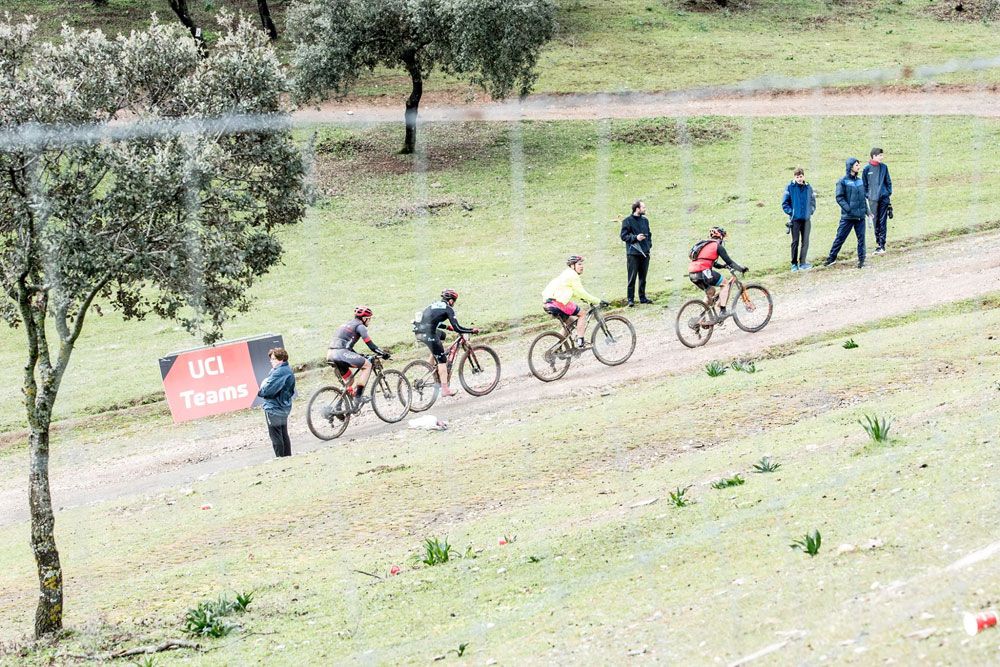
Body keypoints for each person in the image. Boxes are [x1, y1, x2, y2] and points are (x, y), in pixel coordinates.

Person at [413, 289, 478, 397]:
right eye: (454, 301)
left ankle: (431, 367)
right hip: (427, 333)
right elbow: (458, 328)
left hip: (419, 331)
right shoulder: (448, 309)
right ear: (451, 301)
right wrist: (471, 330)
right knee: (442, 360)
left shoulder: (434, 304)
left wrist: (447, 327)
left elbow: (432, 320)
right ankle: (445, 390)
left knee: (442, 335)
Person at [326, 306, 391, 403]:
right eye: (369, 319)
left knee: (350, 382)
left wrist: (359, 355)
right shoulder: (360, 327)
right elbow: (370, 345)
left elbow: (346, 345)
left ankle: (338, 405)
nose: (370, 321)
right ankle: (358, 397)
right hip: (341, 353)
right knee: (367, 365)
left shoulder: (346, 324)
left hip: (330, 354)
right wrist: (383, 353)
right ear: (364, 319)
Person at [542, 255, 608, 349]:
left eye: (582, 264)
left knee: (571, 323)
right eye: (579, 264)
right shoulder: (573, 275)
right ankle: (580, 341)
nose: (582, 266)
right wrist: (598, 301)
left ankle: (557, 347)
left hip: (548, 303)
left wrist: (584, 299)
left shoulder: (566, 273)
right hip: (557, 303)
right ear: (573, 266)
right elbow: (582, 292)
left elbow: (572, 291)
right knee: (582, 314)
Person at [687, 227, 747, 324]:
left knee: (710, 291)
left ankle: (699, 318)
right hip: (703, 271)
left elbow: (712, 263)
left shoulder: (705, 245)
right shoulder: (717, 246)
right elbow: (730, 262)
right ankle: (723, 311)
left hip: (692, 273)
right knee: (725, 284)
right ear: (720, 236)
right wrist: (741, 269)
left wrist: (723, 266)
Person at [824, 157, 868, 269]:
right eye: (856, 165)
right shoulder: (842, 181)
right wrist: (848, 209)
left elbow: (863, 198)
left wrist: (867, 211)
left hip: (860, 216)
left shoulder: (860, 181)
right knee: (840, 238)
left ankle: (862, 260)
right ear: (850, 167)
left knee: (861, 239)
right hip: (848, 217)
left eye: (859, 165)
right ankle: (831, 258)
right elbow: (839, 197)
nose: (859, 167)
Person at [257, 347, 295, 458]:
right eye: (271, 358)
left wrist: (261, 390)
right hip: (283, 406)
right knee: (283, 435)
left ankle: (281, 459)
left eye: (273, 359)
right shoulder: (287, 369)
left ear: (281, 359)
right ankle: (288, 457)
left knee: (276, 437)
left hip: (274, 408)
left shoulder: (279, 372)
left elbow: (267, 390)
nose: (271, 361)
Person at [781, 167, 816, 271]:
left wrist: (810, 211)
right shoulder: (789, 187)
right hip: (795, 220)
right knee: (795, 242)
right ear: (794, 177)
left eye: (801, 176)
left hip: (806, 220)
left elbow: (813, 202)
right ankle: (794, 264)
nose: (799, 179)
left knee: (805, 241)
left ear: (803, 176)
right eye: (797, 177)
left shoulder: (808, 187)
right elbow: (785, 203)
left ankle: (803, 262)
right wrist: (792, 213)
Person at [620, 200, 653, 306]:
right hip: (633, 254)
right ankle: (630, 299)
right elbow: (623, 236)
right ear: (637, 209)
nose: (645, 209)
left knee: (643, 277)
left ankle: (642, 298)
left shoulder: (645, 221)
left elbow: (649, 234)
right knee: (632, 277)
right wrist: (635, 238)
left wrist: (649, 245)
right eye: (643, 207)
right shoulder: (627, 221)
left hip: (645, 253)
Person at [862, 147, 893, 255]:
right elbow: (864, 185)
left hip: (883, 199)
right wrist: (868, 195)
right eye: (880, 155)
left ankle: (882, 245)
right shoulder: (866, 169)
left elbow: (888, 181)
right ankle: (878, 243)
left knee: (882, 221)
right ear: (874, 156)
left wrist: (888, 193)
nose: (882, 157)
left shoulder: (884, 167)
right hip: (873, 200)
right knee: (875, 221)